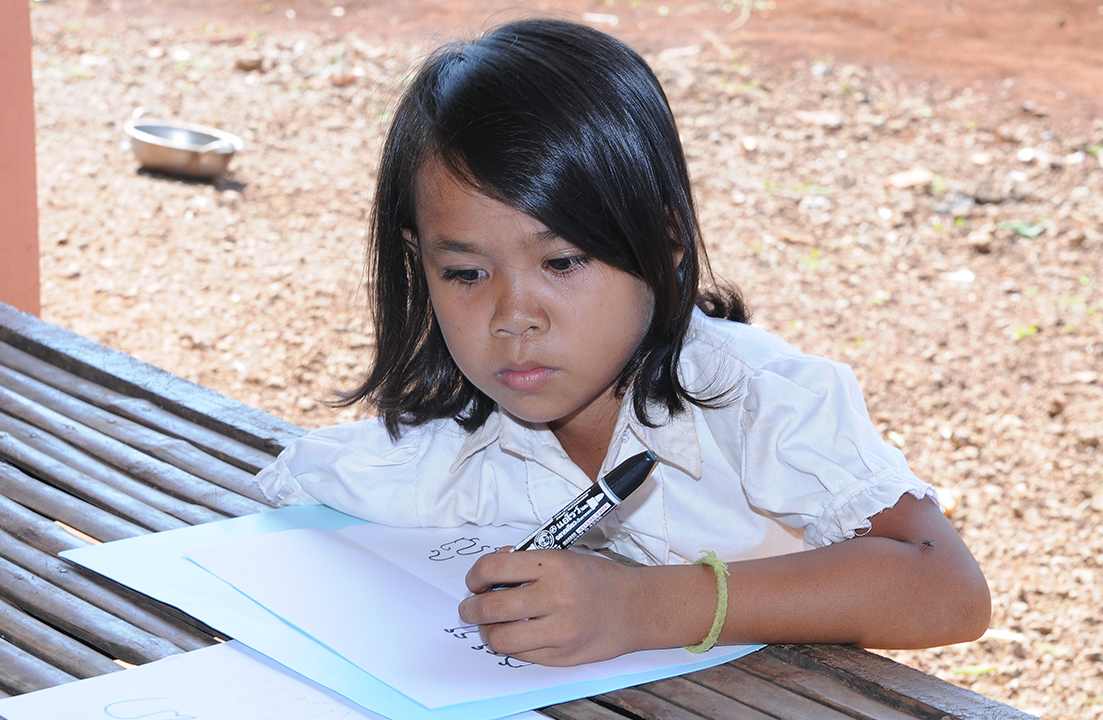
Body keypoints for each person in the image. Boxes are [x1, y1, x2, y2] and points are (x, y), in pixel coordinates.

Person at [248, 17, 990, 667]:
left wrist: (644, 608)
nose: (514, 316)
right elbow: (300, 486)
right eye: (466, 272)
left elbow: (949, 589)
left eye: (563, 262)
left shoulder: (753, 401)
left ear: (665, 238)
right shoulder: (465, 446)